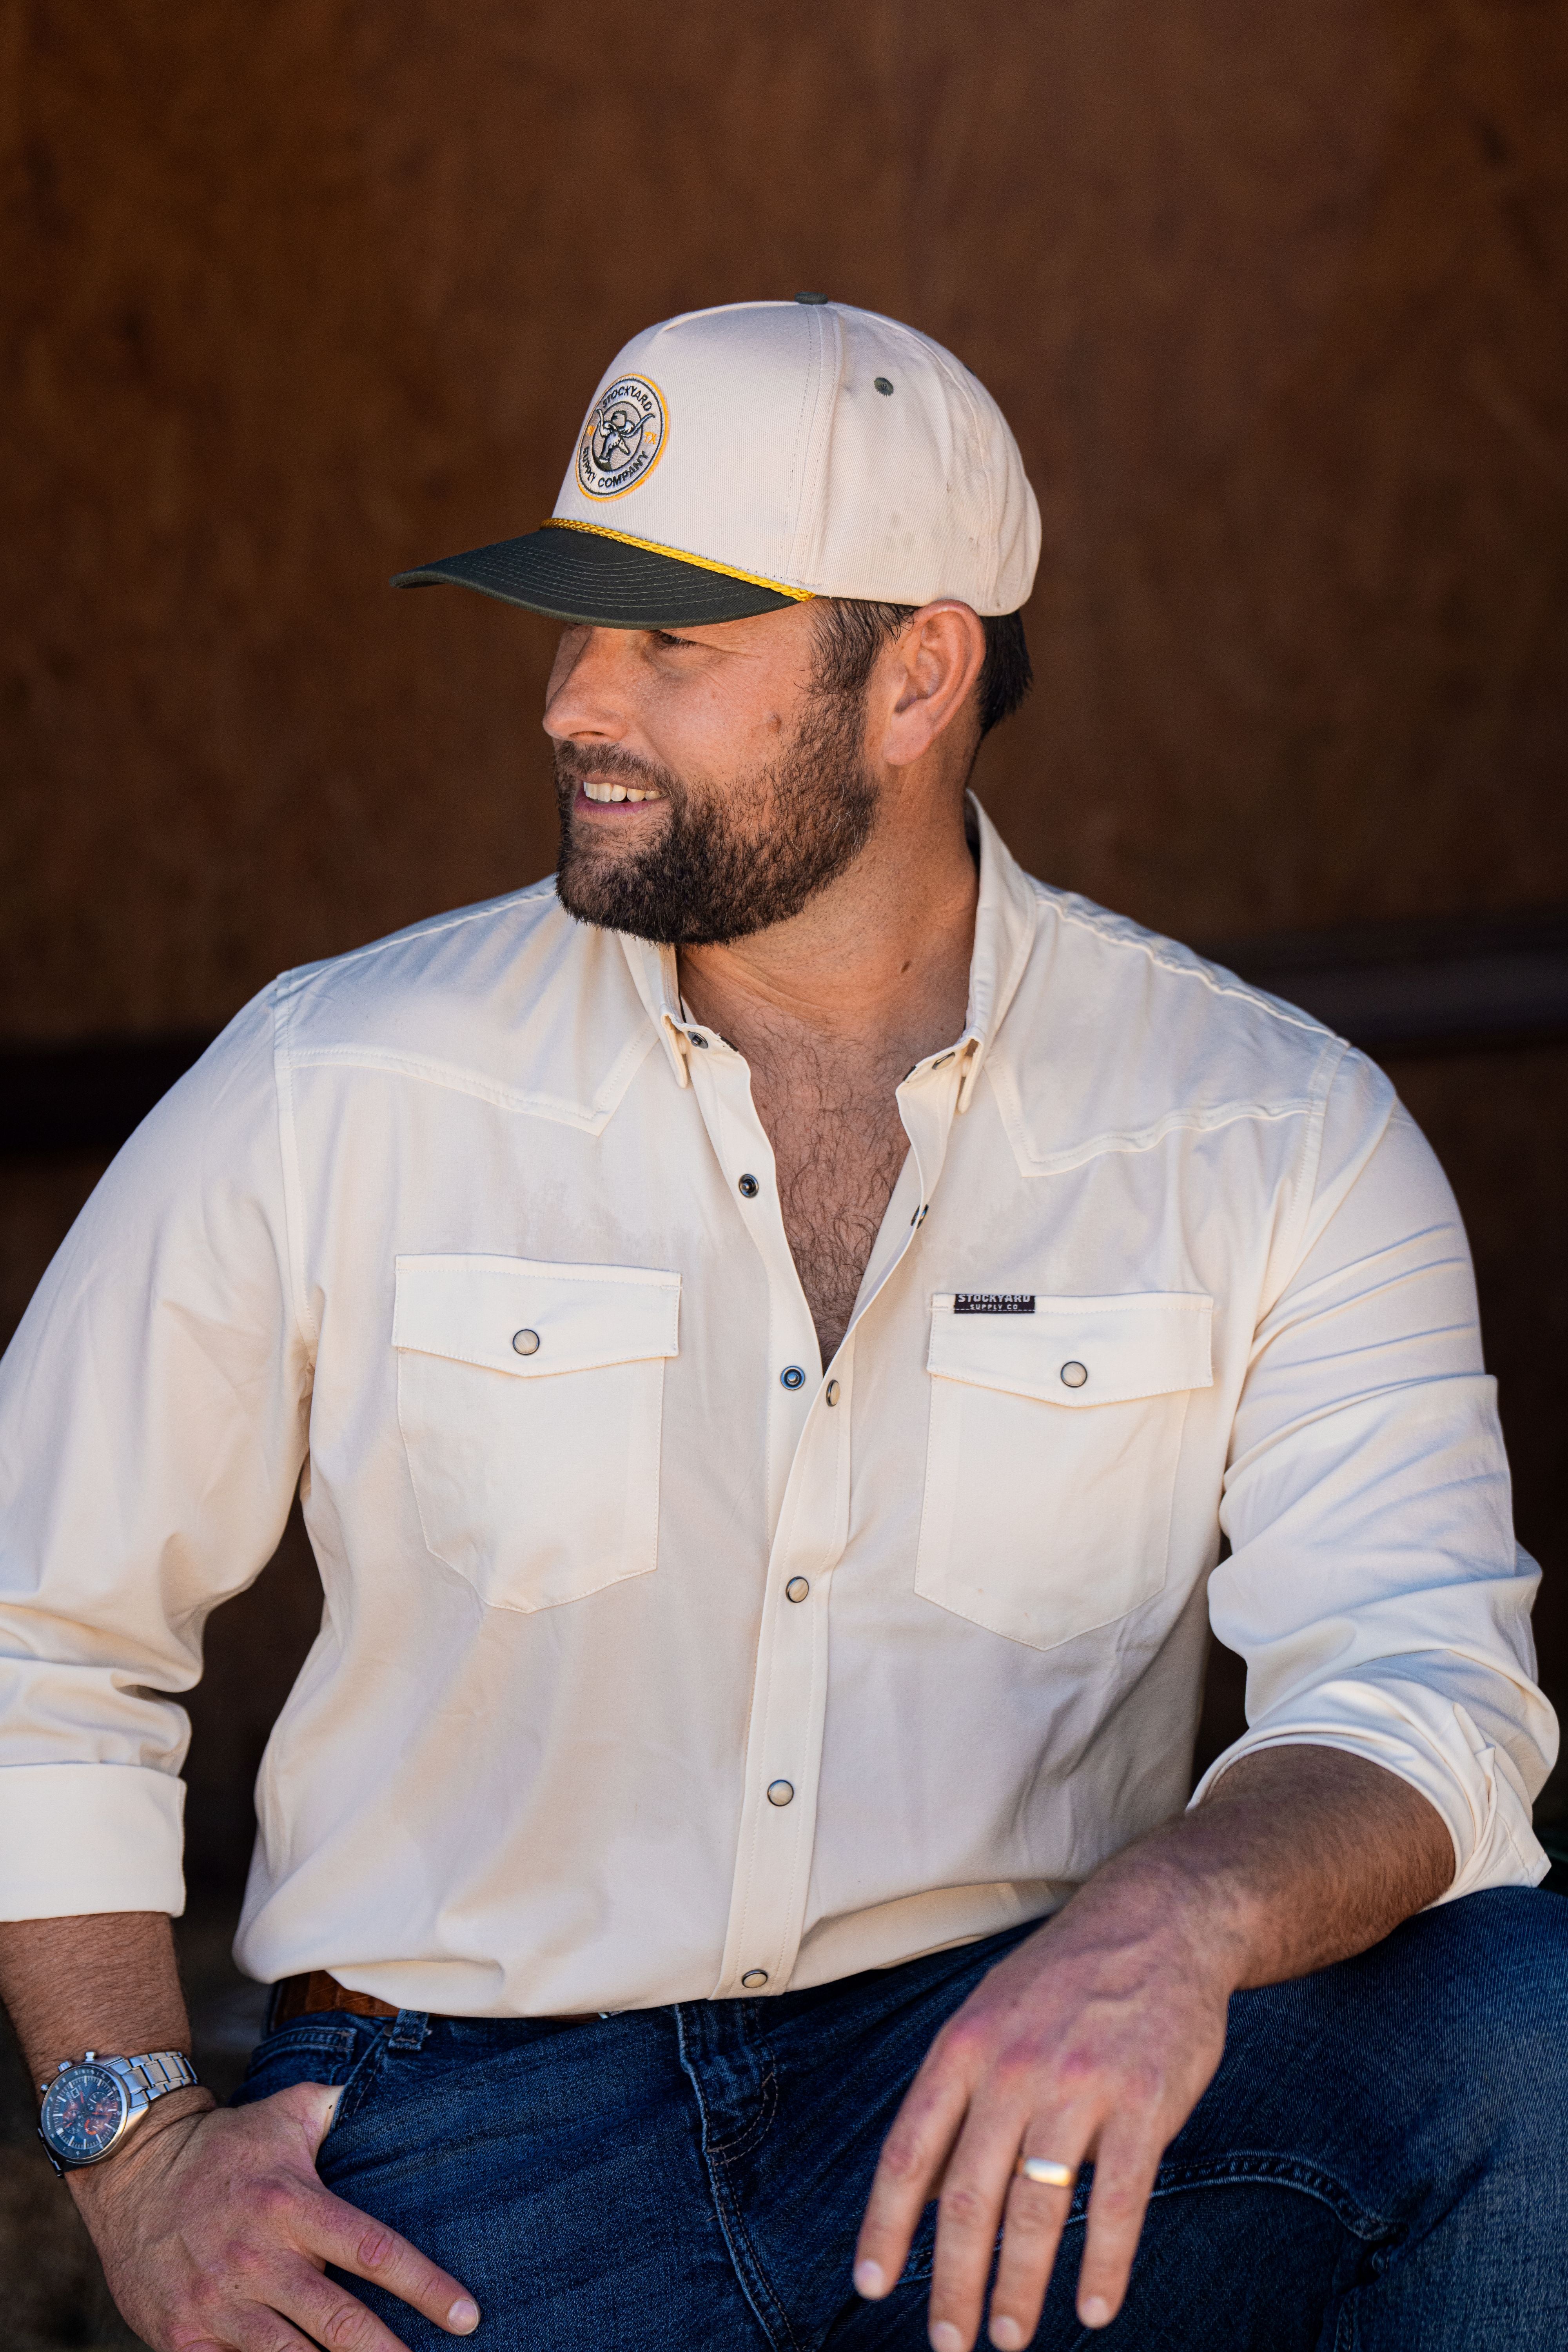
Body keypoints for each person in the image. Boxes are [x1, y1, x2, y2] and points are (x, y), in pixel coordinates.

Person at [0, 296, 1562, 2352]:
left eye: (674, 643)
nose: (574, 703)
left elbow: (1429, 1689)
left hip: (1002, 2102)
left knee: (1512, 2036)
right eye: (572, 629)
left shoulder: (1269, 1128)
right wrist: (136, 2152)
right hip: (466, 2157)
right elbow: (40, 1629)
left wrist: (1185, 1911)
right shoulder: (335, 1081)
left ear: (918, 672)